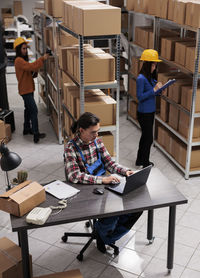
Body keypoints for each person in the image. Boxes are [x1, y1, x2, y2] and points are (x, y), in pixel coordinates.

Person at [65, 112, 143, 253]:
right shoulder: (71, 148)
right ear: (81, 130)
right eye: (93, 132)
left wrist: (125, 171)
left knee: (135, 207)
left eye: (98, 132)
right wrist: (102, 179)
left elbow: (109, 163)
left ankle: (107, 235)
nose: (96, 136)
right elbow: (73, 175)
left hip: (103, 186)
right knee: (113, 210)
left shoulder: (97, 142)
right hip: (85, 190)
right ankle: (104, 235)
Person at [14, 37, 49, 143]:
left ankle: (26, 129)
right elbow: (30, 67)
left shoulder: (22, 60)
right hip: (25, 90)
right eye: (23, 49)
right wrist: (42, 59)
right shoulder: (19, 60)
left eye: (25, 48)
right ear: (18, 49)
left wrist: (35, 70)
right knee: (34, 110)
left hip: (28, 88)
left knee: (28, 109)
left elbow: (30, 73)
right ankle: (36, 134)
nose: (25, 51)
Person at [135, 49, 162, 168]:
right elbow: (140, 97)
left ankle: (140, 160)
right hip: (144, 113)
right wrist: (153, 90)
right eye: (153, 64)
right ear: (147, 64)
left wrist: (159, 90)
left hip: (150, 112)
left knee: (145, 137)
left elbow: (153, 93)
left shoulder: (150, 77)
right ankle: (145, 162)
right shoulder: (141, 78)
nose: (155, 67)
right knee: (149, 138)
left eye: (155, 64)